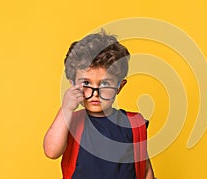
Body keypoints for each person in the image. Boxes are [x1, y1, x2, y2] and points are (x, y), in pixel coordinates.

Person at [43, 29, 155, 179]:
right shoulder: (70, 121)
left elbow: (144, 168)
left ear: (119, 87)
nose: (95, 93)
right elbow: (51, 151)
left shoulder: (132, 123)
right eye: (86, 83)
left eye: (105, 84)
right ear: (73, 85)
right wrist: (65, 109)